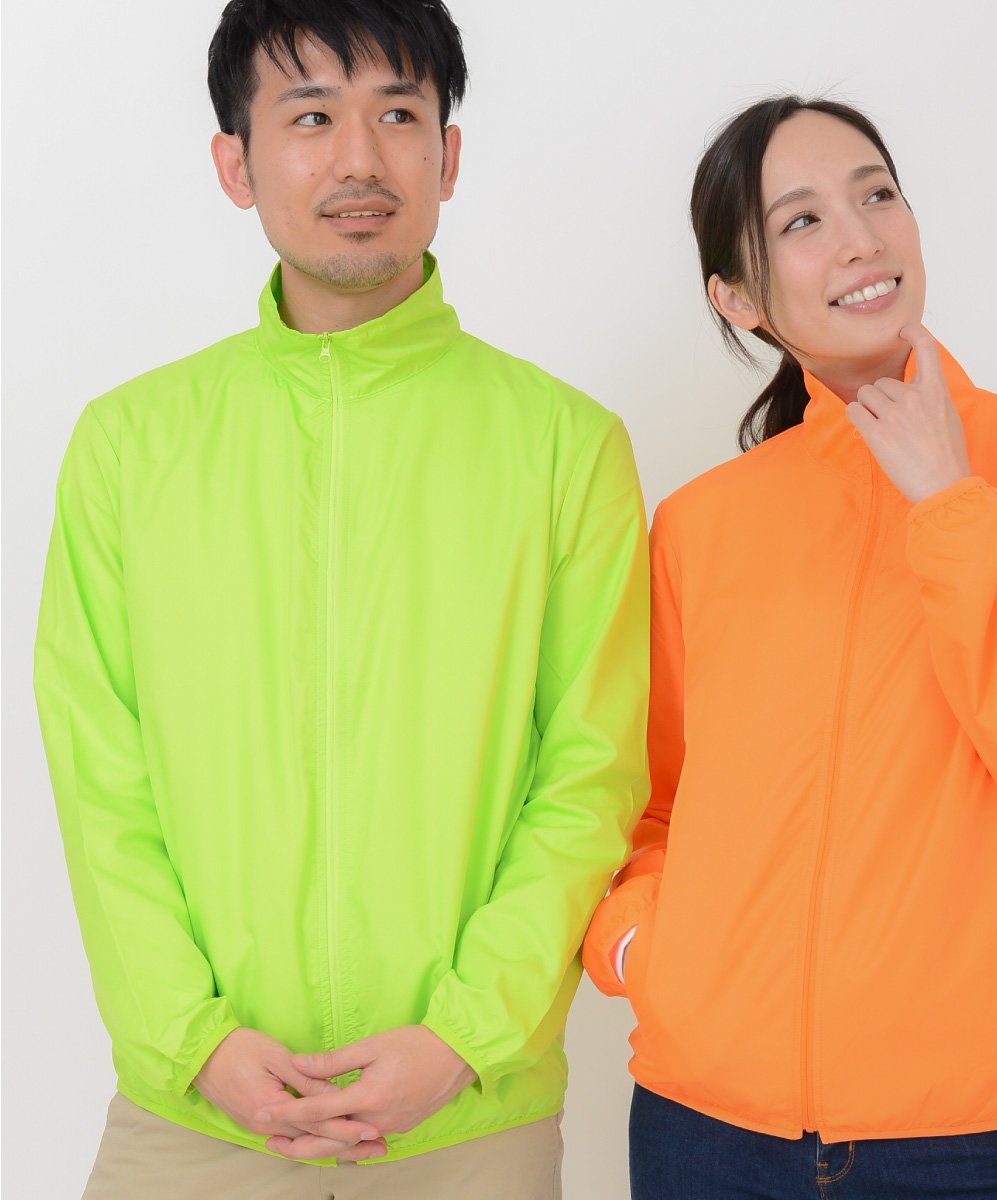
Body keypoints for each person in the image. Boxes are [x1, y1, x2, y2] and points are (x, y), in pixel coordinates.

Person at [33, 1, 648, 1196]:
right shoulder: (127, 445)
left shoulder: (566, 447)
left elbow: (592, 775)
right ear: (236, 163)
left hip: (469, 1120)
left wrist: (465, 1036)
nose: (360, 158)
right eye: (311, 117)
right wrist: (194, 1041)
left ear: (448, 156)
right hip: (192, 1118)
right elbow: (100, 778)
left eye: (398, 115)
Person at [583, 96, 997, 1200]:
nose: (859, 237)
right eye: (801, 220)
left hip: (961, 1140)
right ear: (738, 296)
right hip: (700, 1128)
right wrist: (645, 954)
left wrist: (950, 505)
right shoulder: (703, 523)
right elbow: (646, 807)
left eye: (877, 194)